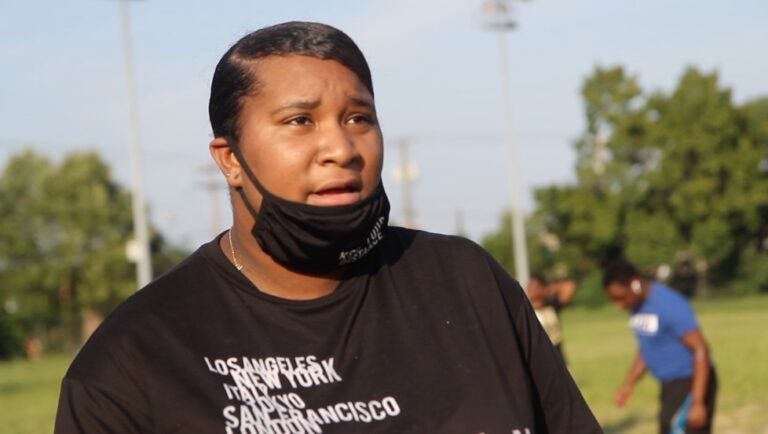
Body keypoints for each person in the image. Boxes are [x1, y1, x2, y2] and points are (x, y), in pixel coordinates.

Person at [54, 21, 602, 433]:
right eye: (299, 122)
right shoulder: (134, 360)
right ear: (230, 159)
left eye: (358, 118)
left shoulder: (467, 281)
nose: (341, 148)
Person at [602, 259, 717, 434]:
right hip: (670, 385)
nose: (618, 306)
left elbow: (701, 349)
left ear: (634, 284)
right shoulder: (637, 307)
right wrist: (629, 384)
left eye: (620, 298)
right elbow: (647, 348)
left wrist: (698, 401)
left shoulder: (669, 304)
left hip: (691, 380)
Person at [526, 274, 576, 361]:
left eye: (535, 287)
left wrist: (549, 288)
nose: (531, 290)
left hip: (556, 355)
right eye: (529, 286)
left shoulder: (551, 306)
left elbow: (569, 286)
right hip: (537, 358)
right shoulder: (526, 310)